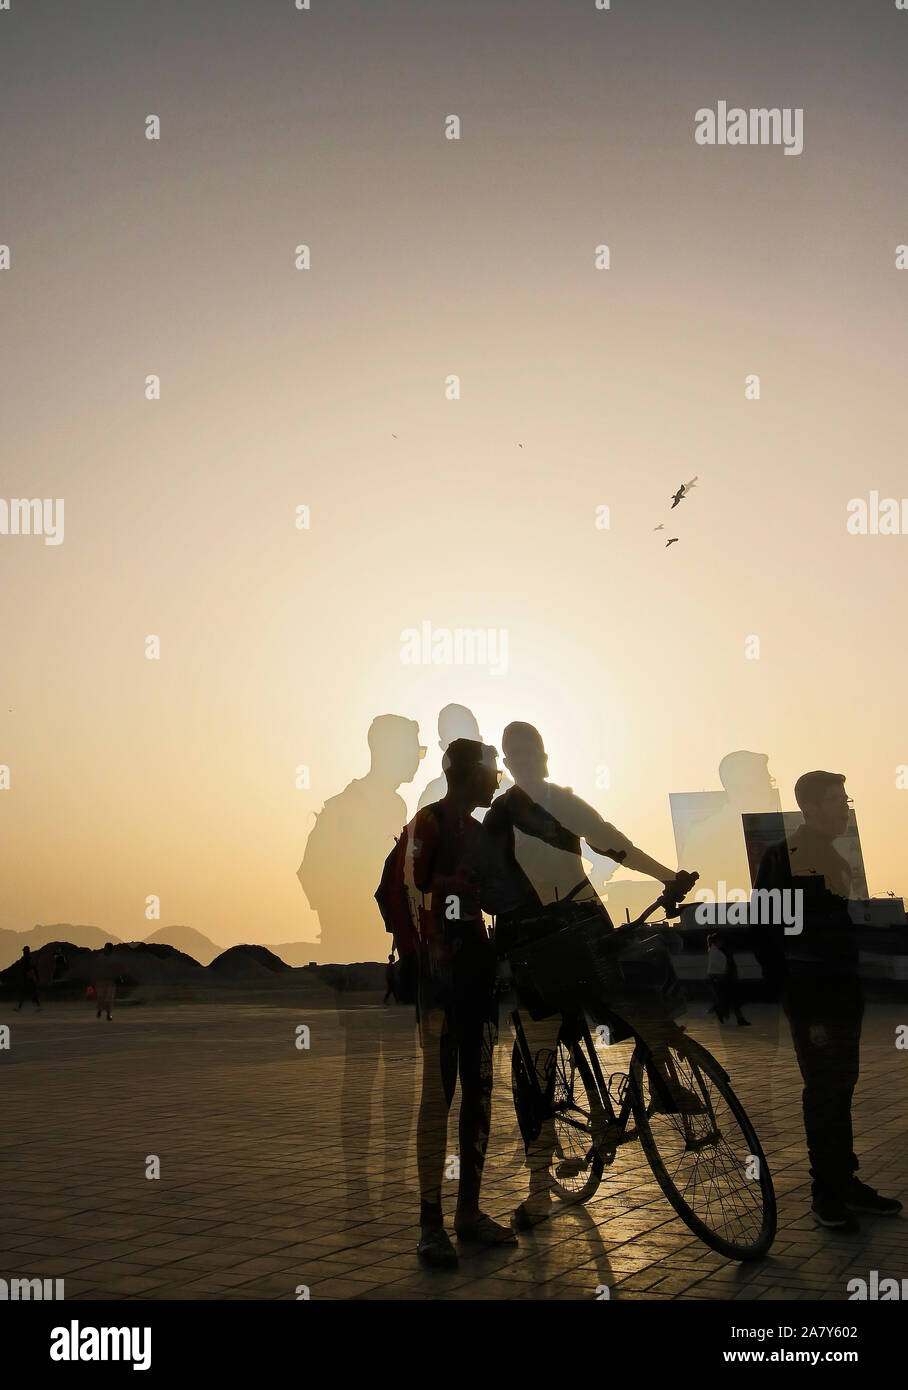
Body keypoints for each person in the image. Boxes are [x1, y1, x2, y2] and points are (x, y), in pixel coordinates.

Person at [480, 721, 698, 1228]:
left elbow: (610, 842)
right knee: (539, 1062)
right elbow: (489, 884)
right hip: (537, 939)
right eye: (517, 757)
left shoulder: (561, 801)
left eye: (530, 753)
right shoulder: (500, 815)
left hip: (578, 923)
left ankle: (664, 1081)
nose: (526, 763)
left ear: (543, 755)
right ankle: (538, 1189)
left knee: (634, 999)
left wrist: (667, 875)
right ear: (512, 764)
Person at [377, 738, 517, 1266]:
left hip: (476, 977)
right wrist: (418, 954)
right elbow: (395, 891)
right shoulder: (428, 826)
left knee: (479, 1092)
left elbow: (498, 896)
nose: (497, 778)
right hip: (438, 980)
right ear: (466, 774)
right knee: (438, 1095)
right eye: (491, 770)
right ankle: (430, 1225)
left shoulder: (478, 833)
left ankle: (469, 1213)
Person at [754, 770, 902, 1230]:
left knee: (842, 1090)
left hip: (842, 993)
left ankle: (845, 1182)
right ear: (809, 807)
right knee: (823, 1093)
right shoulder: (786, 858)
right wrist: (800, 1001)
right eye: (836, 800)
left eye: (846, 798)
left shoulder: (834, 854)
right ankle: (826, 1196)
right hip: (812, 998)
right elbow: (767, 933)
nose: (845, 807)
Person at [706, 932, 750, 1025]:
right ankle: (734, 1017)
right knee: (732, 999)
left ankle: (723, 1012)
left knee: (727, 999)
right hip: (724, 978)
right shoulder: (719, 951)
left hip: (723, 978)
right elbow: (725, 966)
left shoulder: (716, 950)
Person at [13, 946, 40, 1011]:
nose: (23, 952)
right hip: (30, 978)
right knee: (31, 993)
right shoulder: (29, 959)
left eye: (24, 951)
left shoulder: (27, 959)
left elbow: (28, 969)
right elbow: (33, 968)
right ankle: (38, 1006)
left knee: (26, 993)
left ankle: (20, 1007)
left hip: (28, 978)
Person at [95, 943, 118, 1021]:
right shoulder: (101, 958)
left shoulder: (112, 958)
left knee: (109, 998)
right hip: (102, 980)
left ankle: (108, 1014)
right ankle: (100, 1011)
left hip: (109, 980)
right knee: (101, 997)